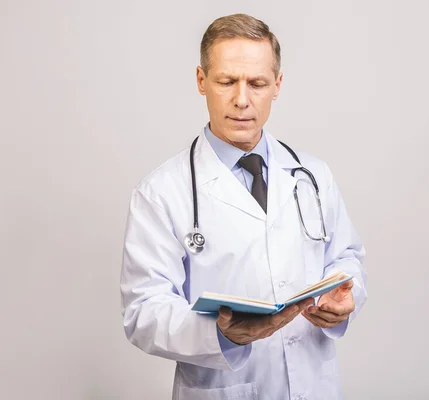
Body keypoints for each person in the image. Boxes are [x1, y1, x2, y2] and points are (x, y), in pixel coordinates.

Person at [120, 13, 367, 400]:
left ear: (277, 85)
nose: (241, 99)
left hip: (315, 386)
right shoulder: (162, 192)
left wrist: (346, 297)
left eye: (256, 83)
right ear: (201, 81)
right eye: (226, 81)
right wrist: (218, 333)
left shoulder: (313, 174)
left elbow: (347, 258)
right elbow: (143, 312)